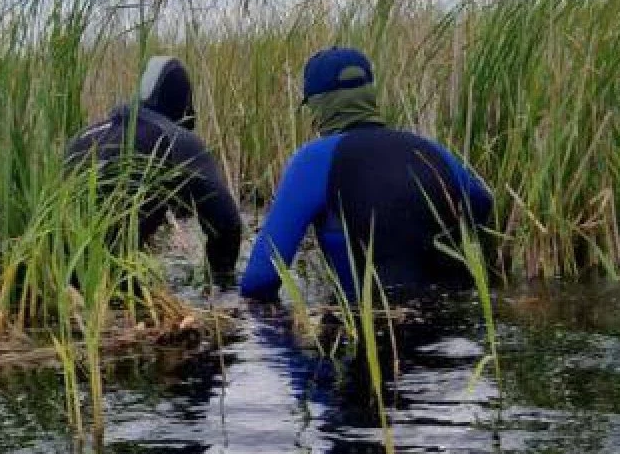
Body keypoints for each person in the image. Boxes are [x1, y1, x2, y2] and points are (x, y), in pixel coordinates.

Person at [240, 47, 494, 303]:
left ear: (319, 106)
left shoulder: (314, 160)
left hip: (369, 325)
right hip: (451, 328)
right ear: (370, 95)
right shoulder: (430, 149)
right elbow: (482, 203)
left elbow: (259, 280)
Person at [65, 56, 243, 283]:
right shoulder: (173, 138)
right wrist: (220, 282)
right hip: (112, 280)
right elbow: (227, 223)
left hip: (56, 275)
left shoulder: (84, 135)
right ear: (184, 106)